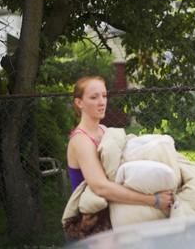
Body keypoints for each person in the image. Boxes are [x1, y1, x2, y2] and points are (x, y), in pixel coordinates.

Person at [65, 76, 173, 240]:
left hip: (112, 217)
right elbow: (101, 187)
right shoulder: (81, 140)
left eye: (104, 95)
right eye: (94, 97)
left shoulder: (103, 130)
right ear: (79, 103)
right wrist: (153, 200)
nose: (102, 102)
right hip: (90, 226)